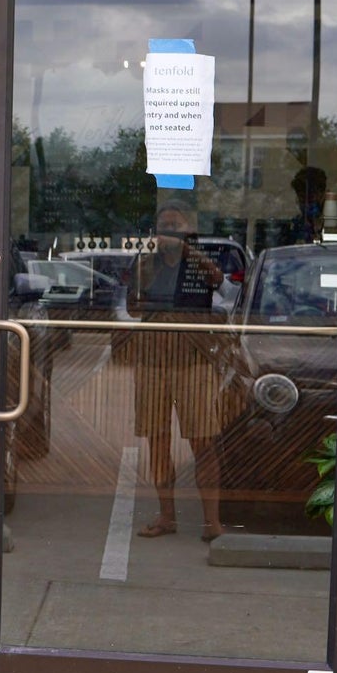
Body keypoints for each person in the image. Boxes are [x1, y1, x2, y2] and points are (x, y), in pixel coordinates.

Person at [128, 200, 227, 541]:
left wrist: (187, 250)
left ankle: (211, 521)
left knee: (204, 441)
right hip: (153, 359)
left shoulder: (199, 259)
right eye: (163, 227)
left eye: (175, 227)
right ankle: (166, 516)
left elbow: (218, 280)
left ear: (188, 229)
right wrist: (150, 263)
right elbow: (133, 306)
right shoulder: (146, 261)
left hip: (195, 361)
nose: (168, 233)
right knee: (157, 440)